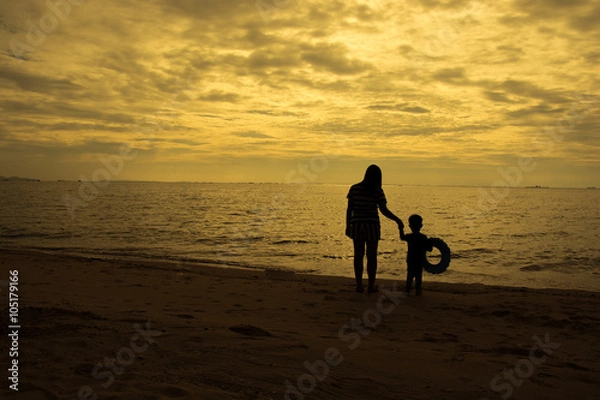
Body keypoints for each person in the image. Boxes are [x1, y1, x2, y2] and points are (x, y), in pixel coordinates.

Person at [346, 165, 403, 293]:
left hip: (357, 225)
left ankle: (359, 285)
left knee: (358, 255)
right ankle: (371, 286)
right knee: (371, 256)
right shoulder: (377, 191)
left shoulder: (354, 188)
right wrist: (397, 220)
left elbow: (350, 209)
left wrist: (347, 225)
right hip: (372, 226)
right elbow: (383, 210)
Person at [399, 214, 433, 296]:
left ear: (410, 226)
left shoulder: (409, 236)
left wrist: (400, 228)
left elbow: (402, 237)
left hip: (410, 259)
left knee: (410, 275)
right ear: (421, 225)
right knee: (418, 276)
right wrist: (431, 243)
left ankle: (408, 289)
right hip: (419, 260)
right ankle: (418, 290)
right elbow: (429, 249)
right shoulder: (423, 237)